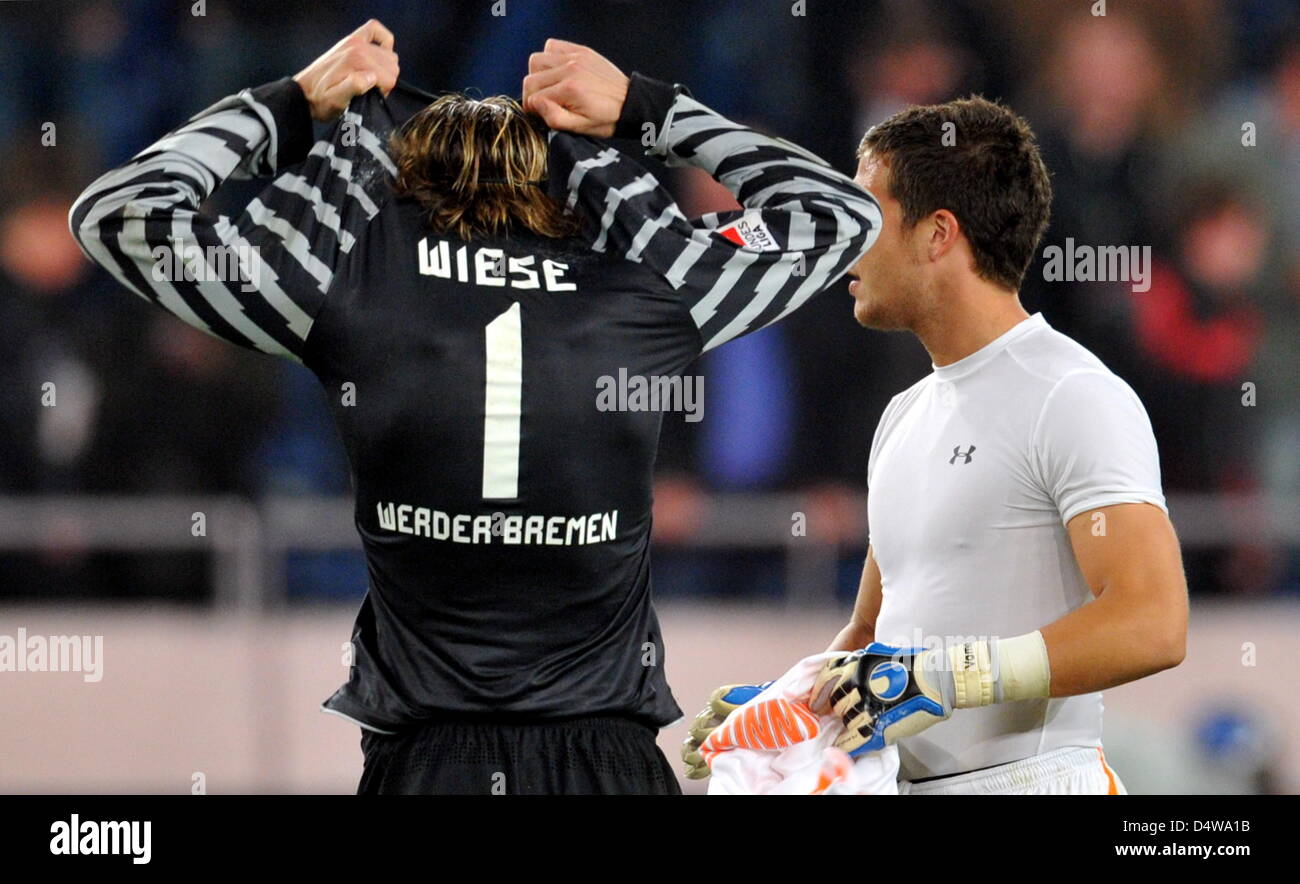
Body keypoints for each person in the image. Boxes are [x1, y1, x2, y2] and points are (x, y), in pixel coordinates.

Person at [68, 22, 881, 794]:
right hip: (606, 756)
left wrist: (289, 102)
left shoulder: (346, 280)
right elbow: (846, 216)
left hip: (426, 761)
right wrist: (647, 110)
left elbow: (117, 213)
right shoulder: (646, 281)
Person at [685, 96, 1188, 795]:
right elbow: (871, 638)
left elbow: (1154, 622)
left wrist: (952, 676)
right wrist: (789, 708)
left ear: (938, 234)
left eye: (868, 216)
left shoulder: (1072, 394)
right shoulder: (902, 415)